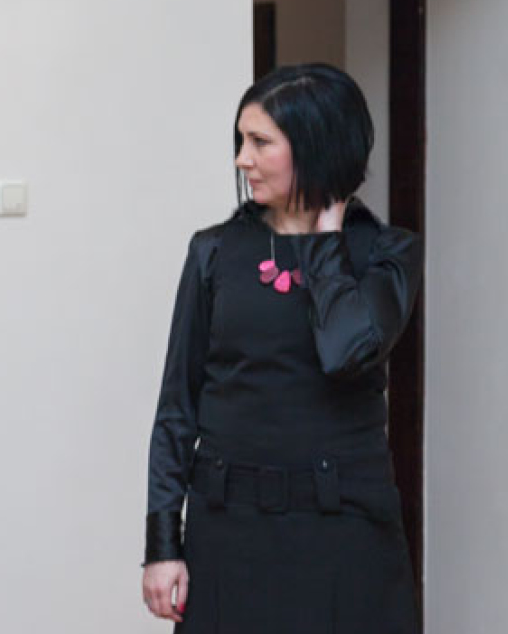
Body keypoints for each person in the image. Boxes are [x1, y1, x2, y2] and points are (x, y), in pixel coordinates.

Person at [142, 63, 422, 633]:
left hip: (346, 530)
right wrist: (163, 545)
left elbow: (344, 351)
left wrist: (325, 240)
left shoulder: (387, 253)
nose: (242, 159)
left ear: (316, 146)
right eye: (241, 141)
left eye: (260, 142)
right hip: (229, 528)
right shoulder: (213, 251)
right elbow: (177, 407)